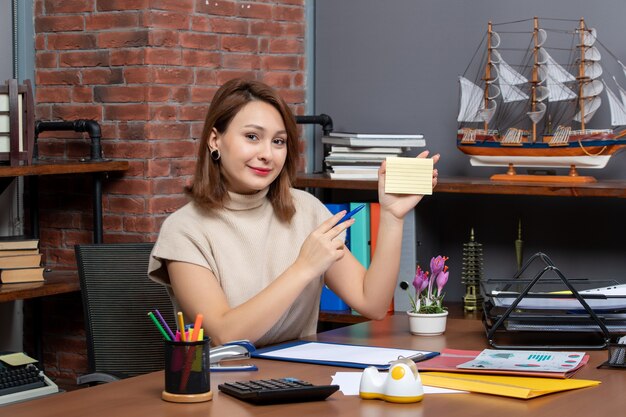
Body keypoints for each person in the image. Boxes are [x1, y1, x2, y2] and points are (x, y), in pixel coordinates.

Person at [148, 78, 439, 347]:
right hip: (221, 388)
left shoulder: (306, 209)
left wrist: (392, 217)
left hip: (297, 382)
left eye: (278, 141)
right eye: (252, 136)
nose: (267, 154)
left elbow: (372, 303)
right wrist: (304, 268)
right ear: (215, 140)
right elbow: (226, 335)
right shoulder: (184, 230)